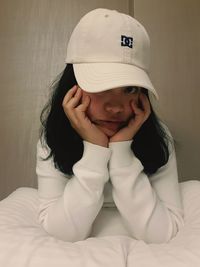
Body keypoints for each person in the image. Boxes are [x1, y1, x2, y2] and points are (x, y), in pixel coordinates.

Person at [36, 8, 184, 243]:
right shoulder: (53, 138)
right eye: (101, 86)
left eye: (130, 89)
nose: (116, 107)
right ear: (72, 86)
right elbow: (63, 233)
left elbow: (161, 233)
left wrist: (121, 149)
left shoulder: (158, 136)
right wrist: (95, 150)